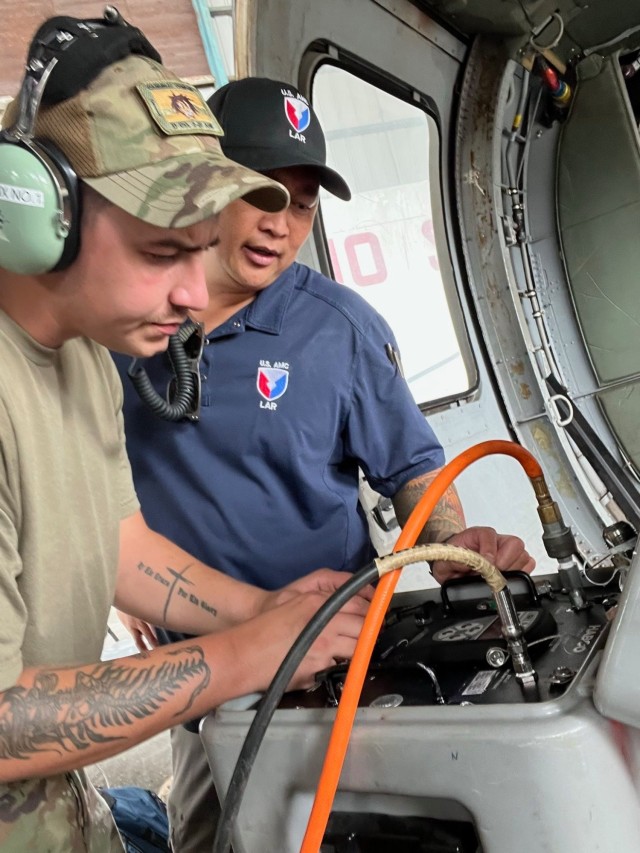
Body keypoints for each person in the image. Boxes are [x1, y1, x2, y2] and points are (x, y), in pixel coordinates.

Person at [114, 77, 535, 851]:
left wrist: (450, 545)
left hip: (323, 660)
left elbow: (410, 465)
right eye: (263, 193)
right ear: (207, 181)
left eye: (303, 203)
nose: (283, 224)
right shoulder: (125, 315)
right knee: (206, 835)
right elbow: (97, 466)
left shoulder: (339, 329)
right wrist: (125, 586)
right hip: (194, 667)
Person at [0, 19, 373, 852]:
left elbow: (119, 538)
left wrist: (267, 611)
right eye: (162, 250)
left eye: (199, 253)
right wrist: (244, 653)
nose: (190, 296)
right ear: (41, 217)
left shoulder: (87, 354)